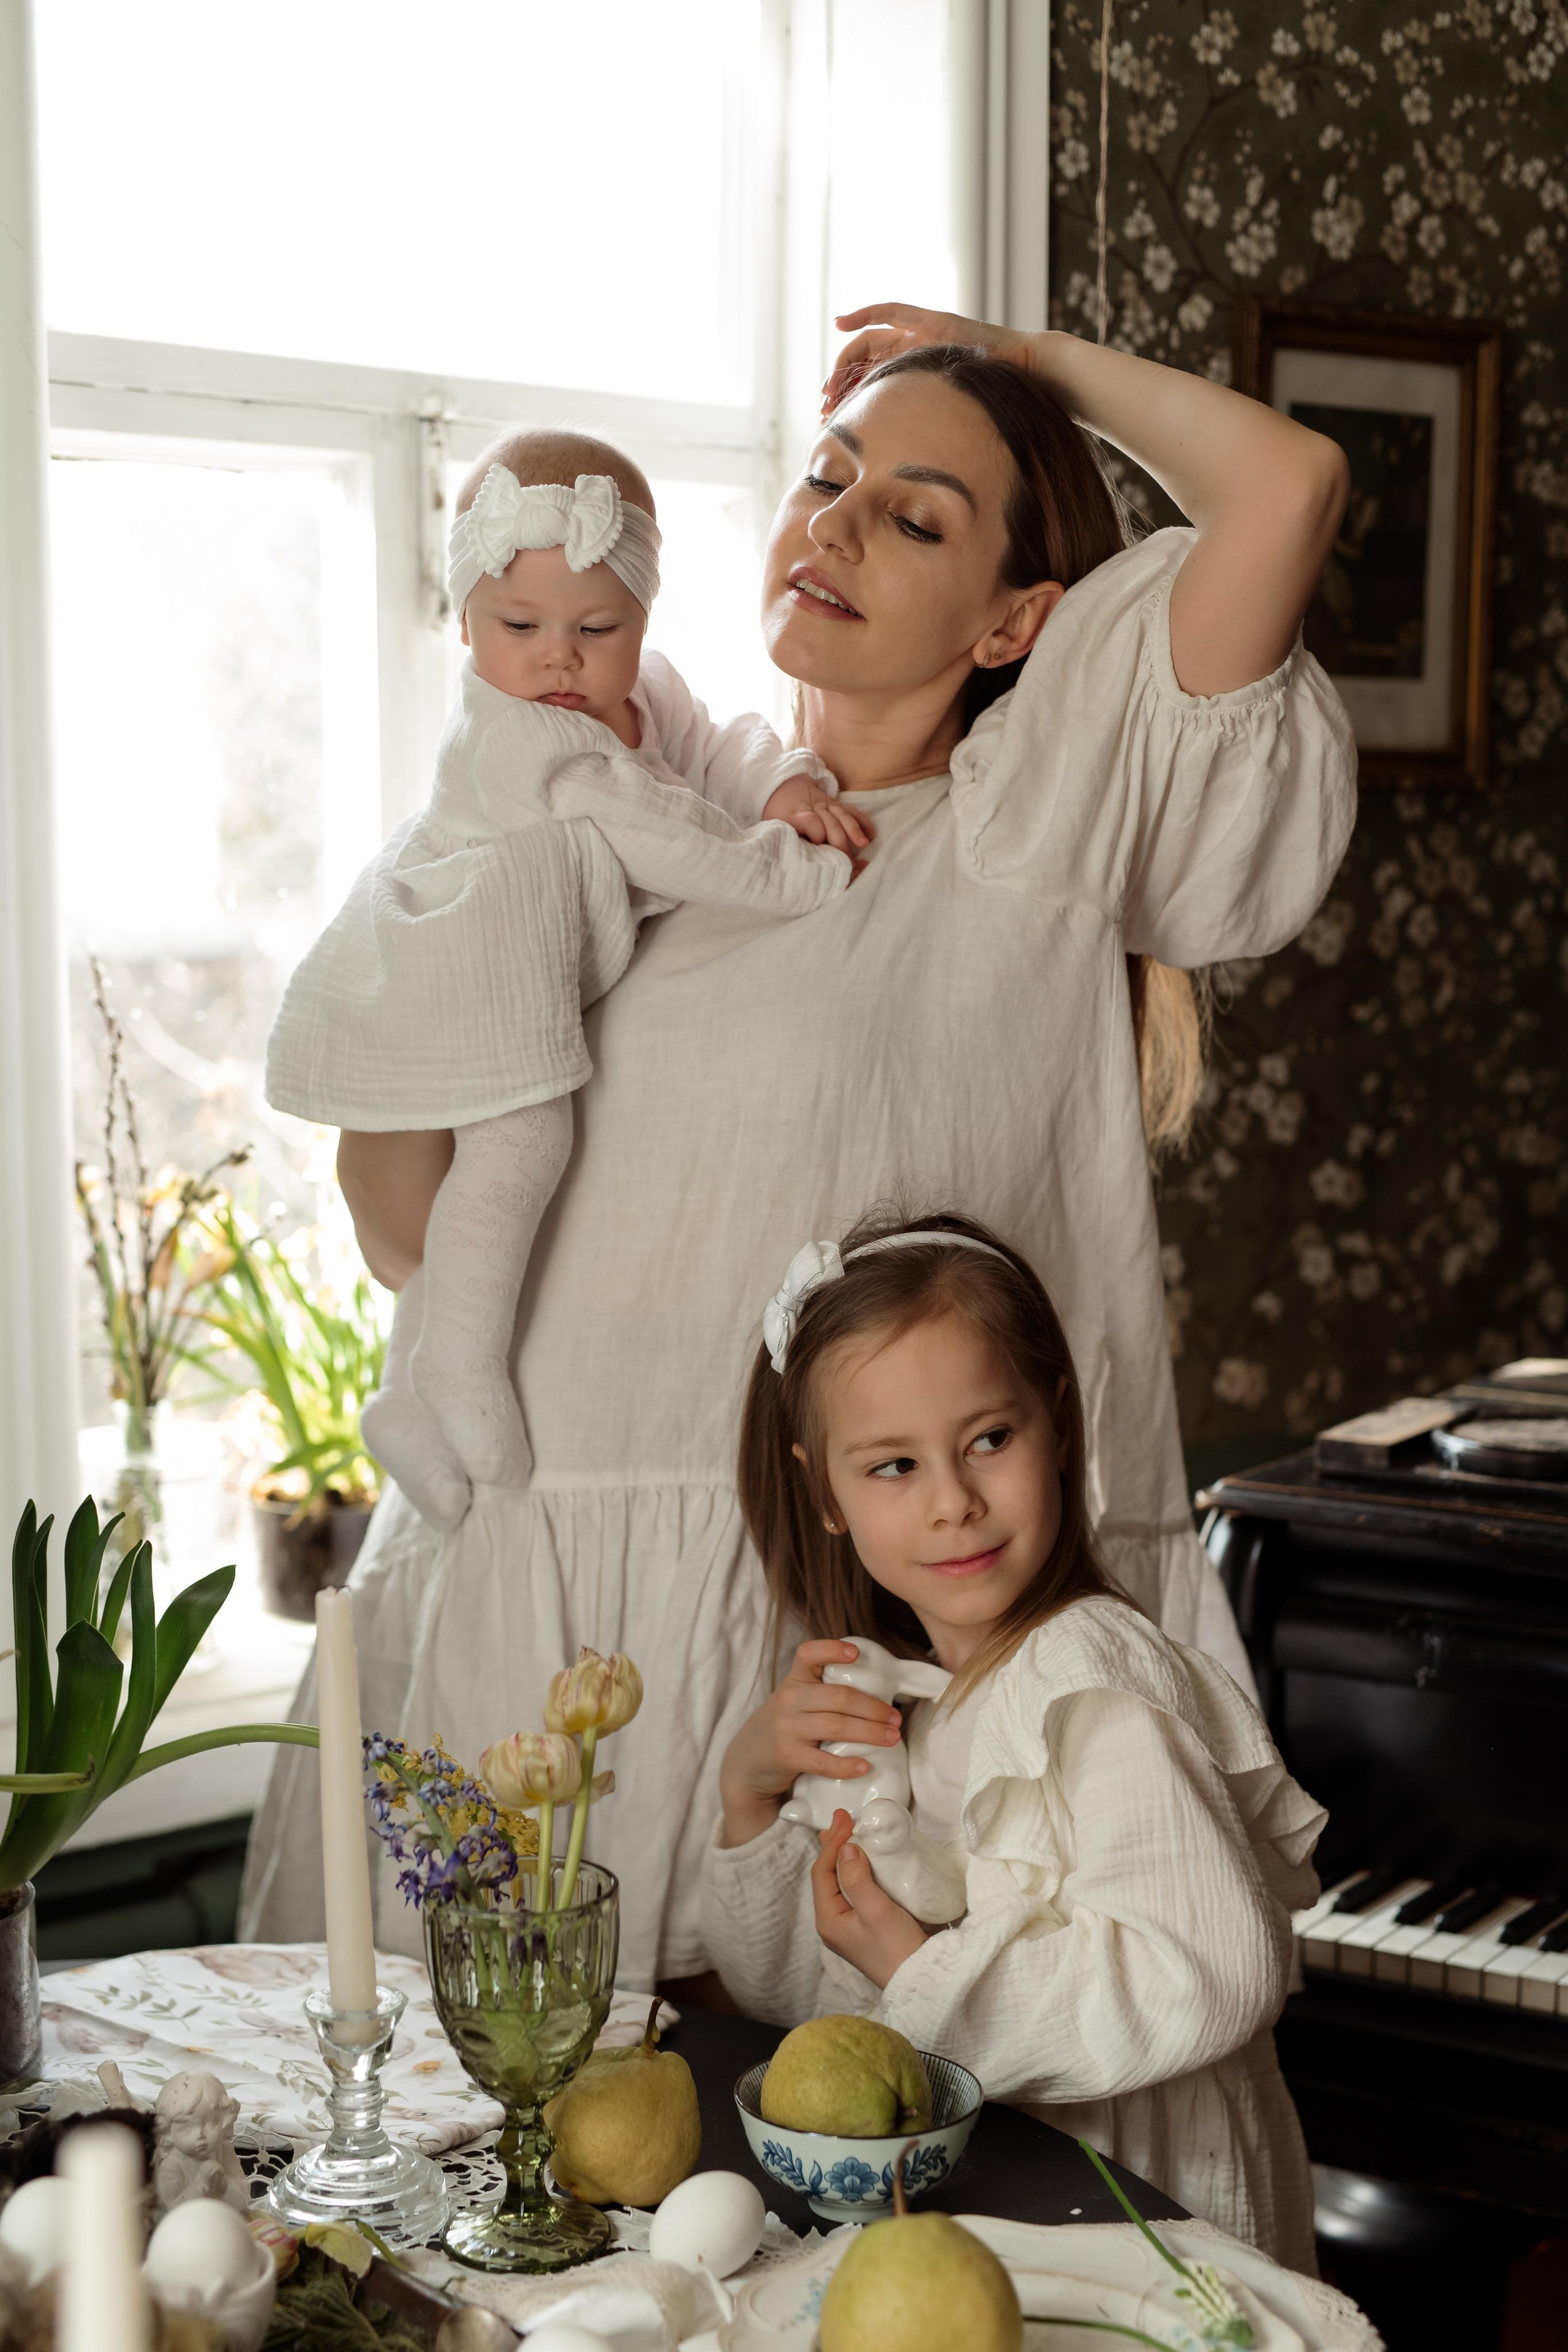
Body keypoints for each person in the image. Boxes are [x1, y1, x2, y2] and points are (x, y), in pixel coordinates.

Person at [241, 303, 1355, 1996]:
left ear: (1017, 618)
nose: (833, 523)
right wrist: (459, 898)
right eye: (828, 478)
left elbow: (1290, 483)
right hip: (535, 1607)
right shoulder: (646, 813)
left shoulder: (1034, 823)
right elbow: (413, 1234)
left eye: (915, 514)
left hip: (868, 1627)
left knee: (857, 2176)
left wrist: (1018, 359)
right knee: (508, 2198)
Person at [704, 1211, 1325, 2270]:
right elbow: (804, 2007)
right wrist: (748, 1797)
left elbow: (1209, 1972)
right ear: (825, 1494)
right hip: (998, 2221)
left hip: (1148, 2222)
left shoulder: (1091, 1682)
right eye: (894, 1465)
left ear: (1060, 1423)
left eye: (989, 1439)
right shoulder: (908, 1707)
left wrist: (921, 1966)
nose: (954, 1502)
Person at [265, 428, 859, 1532]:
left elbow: (719, 746)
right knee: (522, 1142)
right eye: (519, 629)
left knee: (474, 1201)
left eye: (598, 629)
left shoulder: (641, 696)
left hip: (527, 951)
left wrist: (780, 783)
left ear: (643, 617)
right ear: (464, 627)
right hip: (463, 953)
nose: (559, 661)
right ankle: (459, 1371)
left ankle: (405, 1399)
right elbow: (672, 838)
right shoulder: (527, 739)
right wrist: (795, 871)